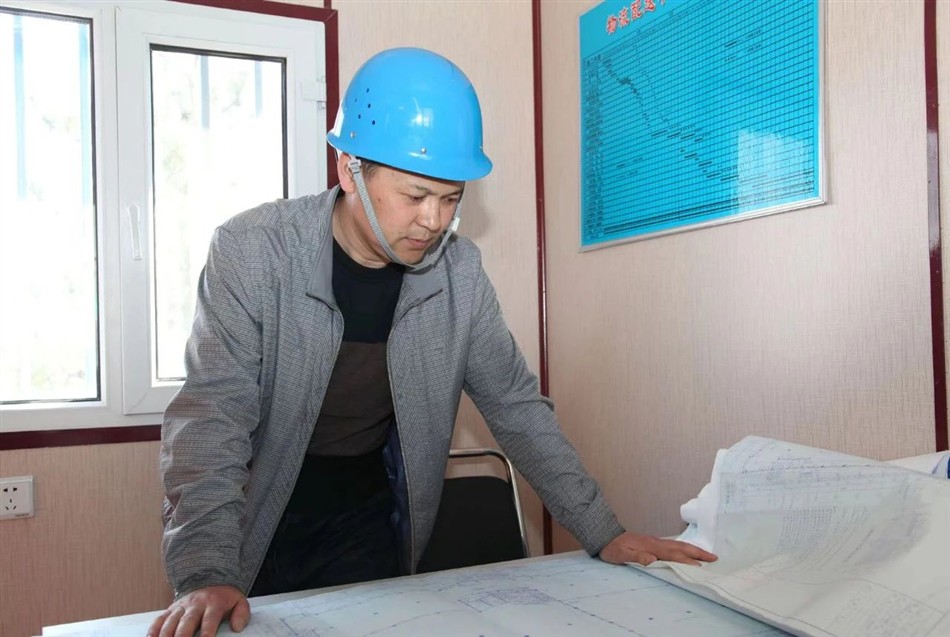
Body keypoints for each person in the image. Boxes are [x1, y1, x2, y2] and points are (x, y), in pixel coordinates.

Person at [148, 47, 715, 637]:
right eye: (416, 196)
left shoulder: (458, 273)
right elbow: (212, 417)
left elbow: (516, 408)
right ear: (348, 170)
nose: (434, 221)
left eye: (451, 199)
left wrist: (604, 531)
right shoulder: (254, 251)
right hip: (252, 509)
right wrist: (205, 570)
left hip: (365, 513)